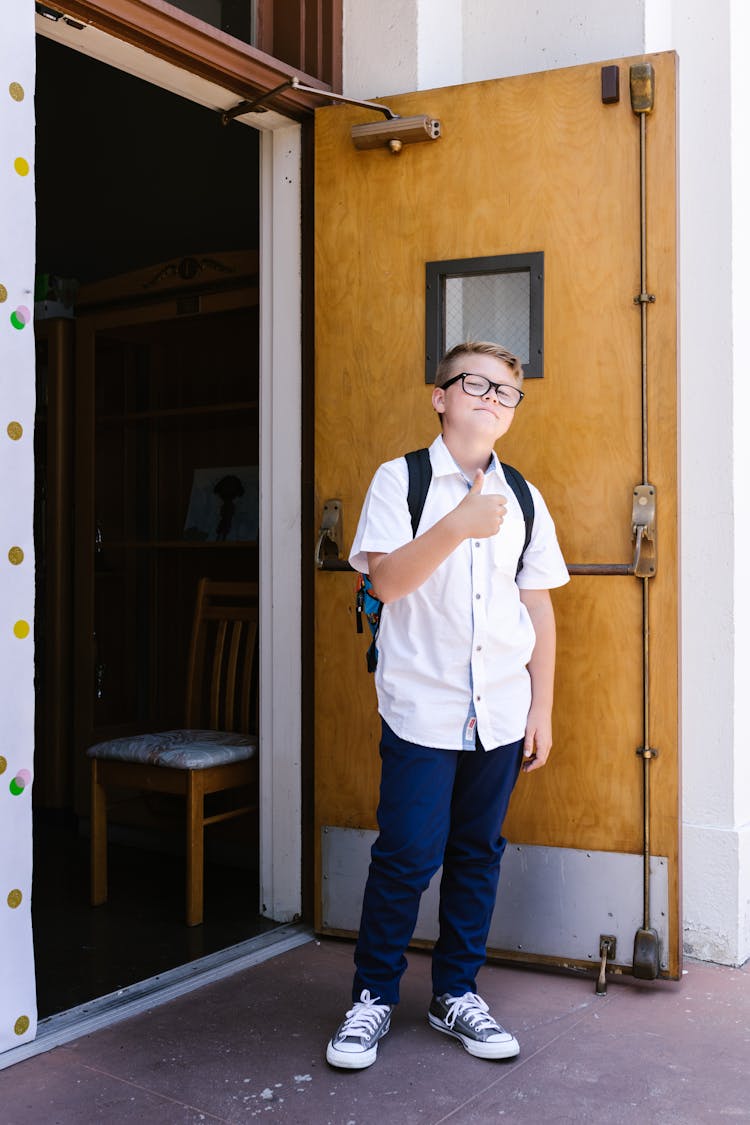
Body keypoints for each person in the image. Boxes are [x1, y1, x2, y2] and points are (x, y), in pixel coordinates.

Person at [325, 341, 569, 1070]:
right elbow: (388, 583)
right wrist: (458, 523)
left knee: (476, 852)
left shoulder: (524, 495)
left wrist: (542, 708)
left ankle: (455, 992)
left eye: (506, 392)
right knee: (405, 853)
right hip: (422, 707)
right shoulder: (399, 481)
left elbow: (540, 611)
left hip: (500, 706)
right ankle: (372, 996)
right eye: (475, 384)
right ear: (440, 396)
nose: (492, 398)